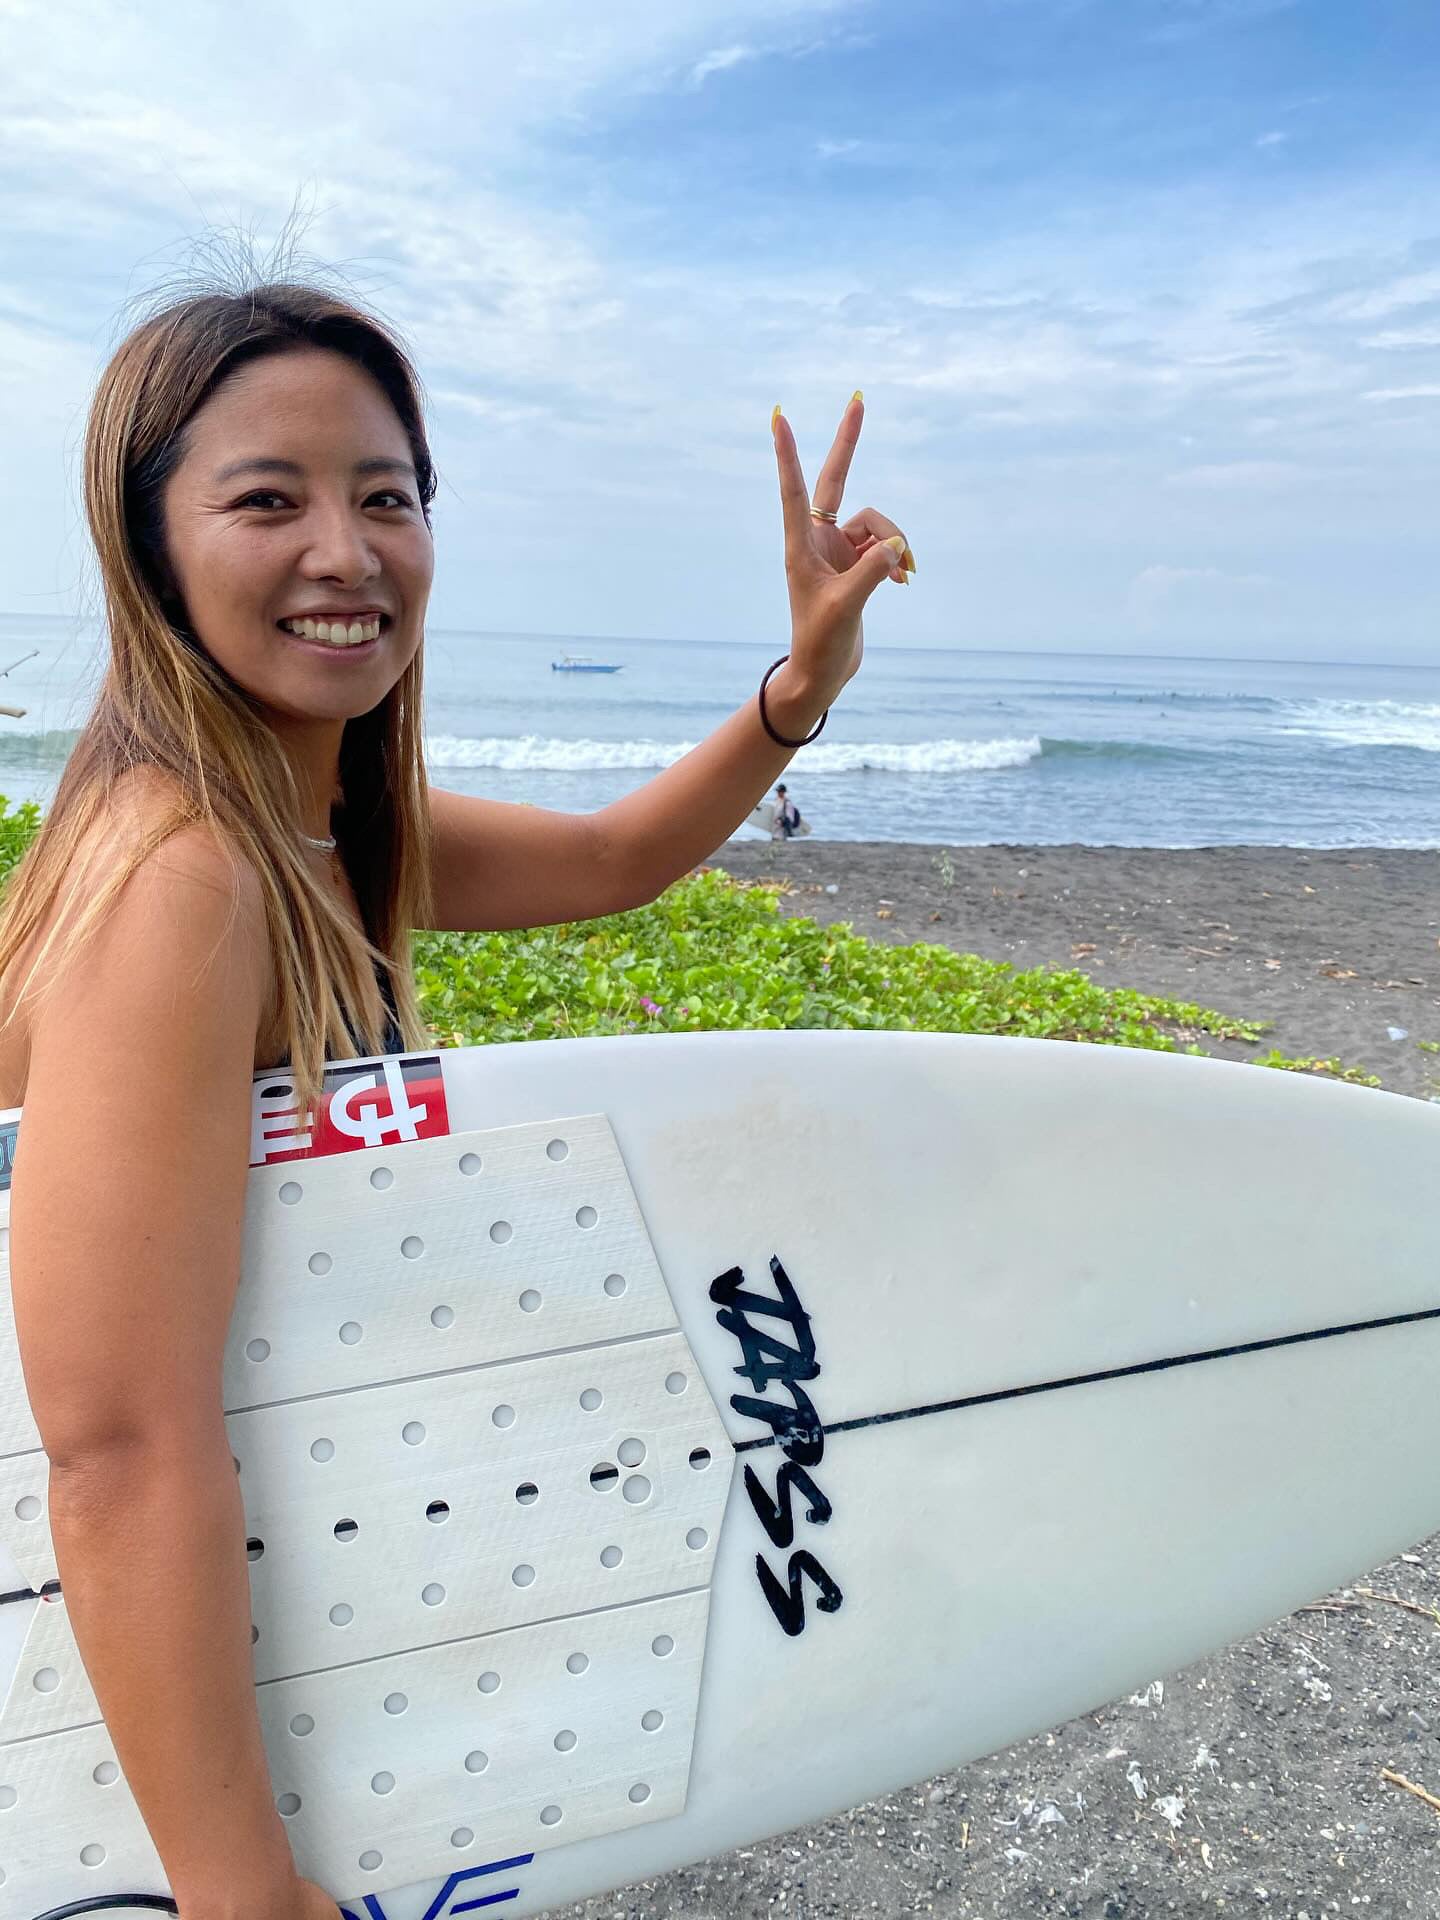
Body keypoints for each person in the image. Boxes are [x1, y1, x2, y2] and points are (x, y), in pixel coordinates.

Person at [0, 277, 913, 1920]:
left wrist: (802, 681)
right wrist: (235, 1892)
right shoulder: (182, 883)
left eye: (387, 496)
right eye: (266, 499)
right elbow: (116, 1450)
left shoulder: (324, 826)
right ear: (149, 547)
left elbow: (618, 857)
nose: (346, 552)